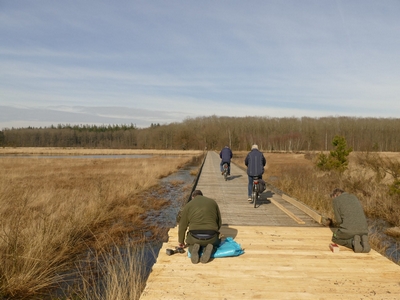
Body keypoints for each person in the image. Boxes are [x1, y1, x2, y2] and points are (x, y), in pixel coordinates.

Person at [178, 190, 222, 264]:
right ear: (202, 195)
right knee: (216, 242)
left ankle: (193, 248)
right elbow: (219, 223)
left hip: (194, 237)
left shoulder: (188, 205)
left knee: (190, 243)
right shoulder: (213, 202)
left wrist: (181, 241)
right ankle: (211, 248)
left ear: (193, 197)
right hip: (211, 236)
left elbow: (182, 226)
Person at [329, 188, 370, 253]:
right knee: (354, 234)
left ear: (335, 195)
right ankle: (362, 242)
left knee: (335, 238)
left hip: (349, 231)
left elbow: (339, 221)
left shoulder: (336, 200)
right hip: (364, 231)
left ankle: (352, 242)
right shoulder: (354, 197)